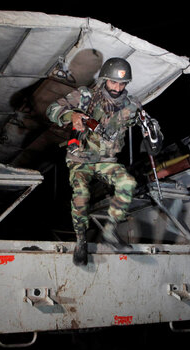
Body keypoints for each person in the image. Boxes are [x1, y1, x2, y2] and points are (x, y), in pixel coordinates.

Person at [46, 57, 147, 266]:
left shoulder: (131, 105)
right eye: (113, 83)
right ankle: (81, 240)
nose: (117, 88)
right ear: (104, 80)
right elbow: (52, 110)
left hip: (106, 160)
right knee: (81, 193)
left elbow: (147, 125)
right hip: (80, 158)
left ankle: (110, 231)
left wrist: (152, 130)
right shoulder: (86, 96)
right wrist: (71, 115)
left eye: (122, 84)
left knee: (127, 182)